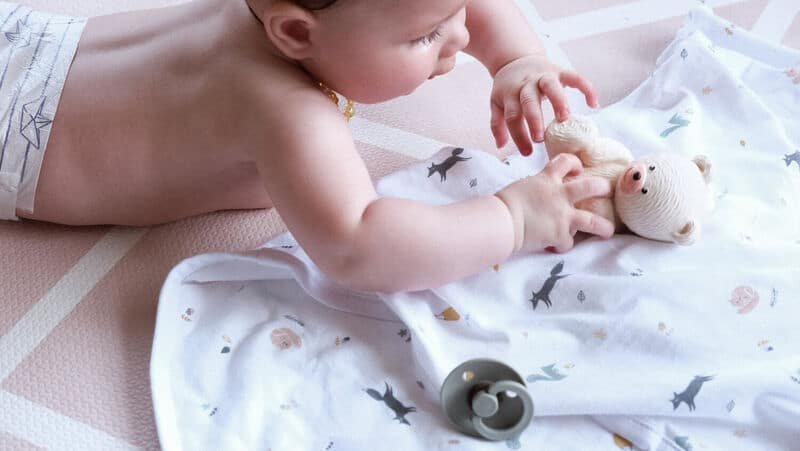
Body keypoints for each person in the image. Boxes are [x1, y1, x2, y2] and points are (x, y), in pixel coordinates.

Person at [1, 0, 614, 292]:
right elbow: (361, 246)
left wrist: (517, 58)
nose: (460, 35)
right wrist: (515, 217)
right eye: (428, 35)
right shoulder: (282, 109)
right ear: (296, 32)